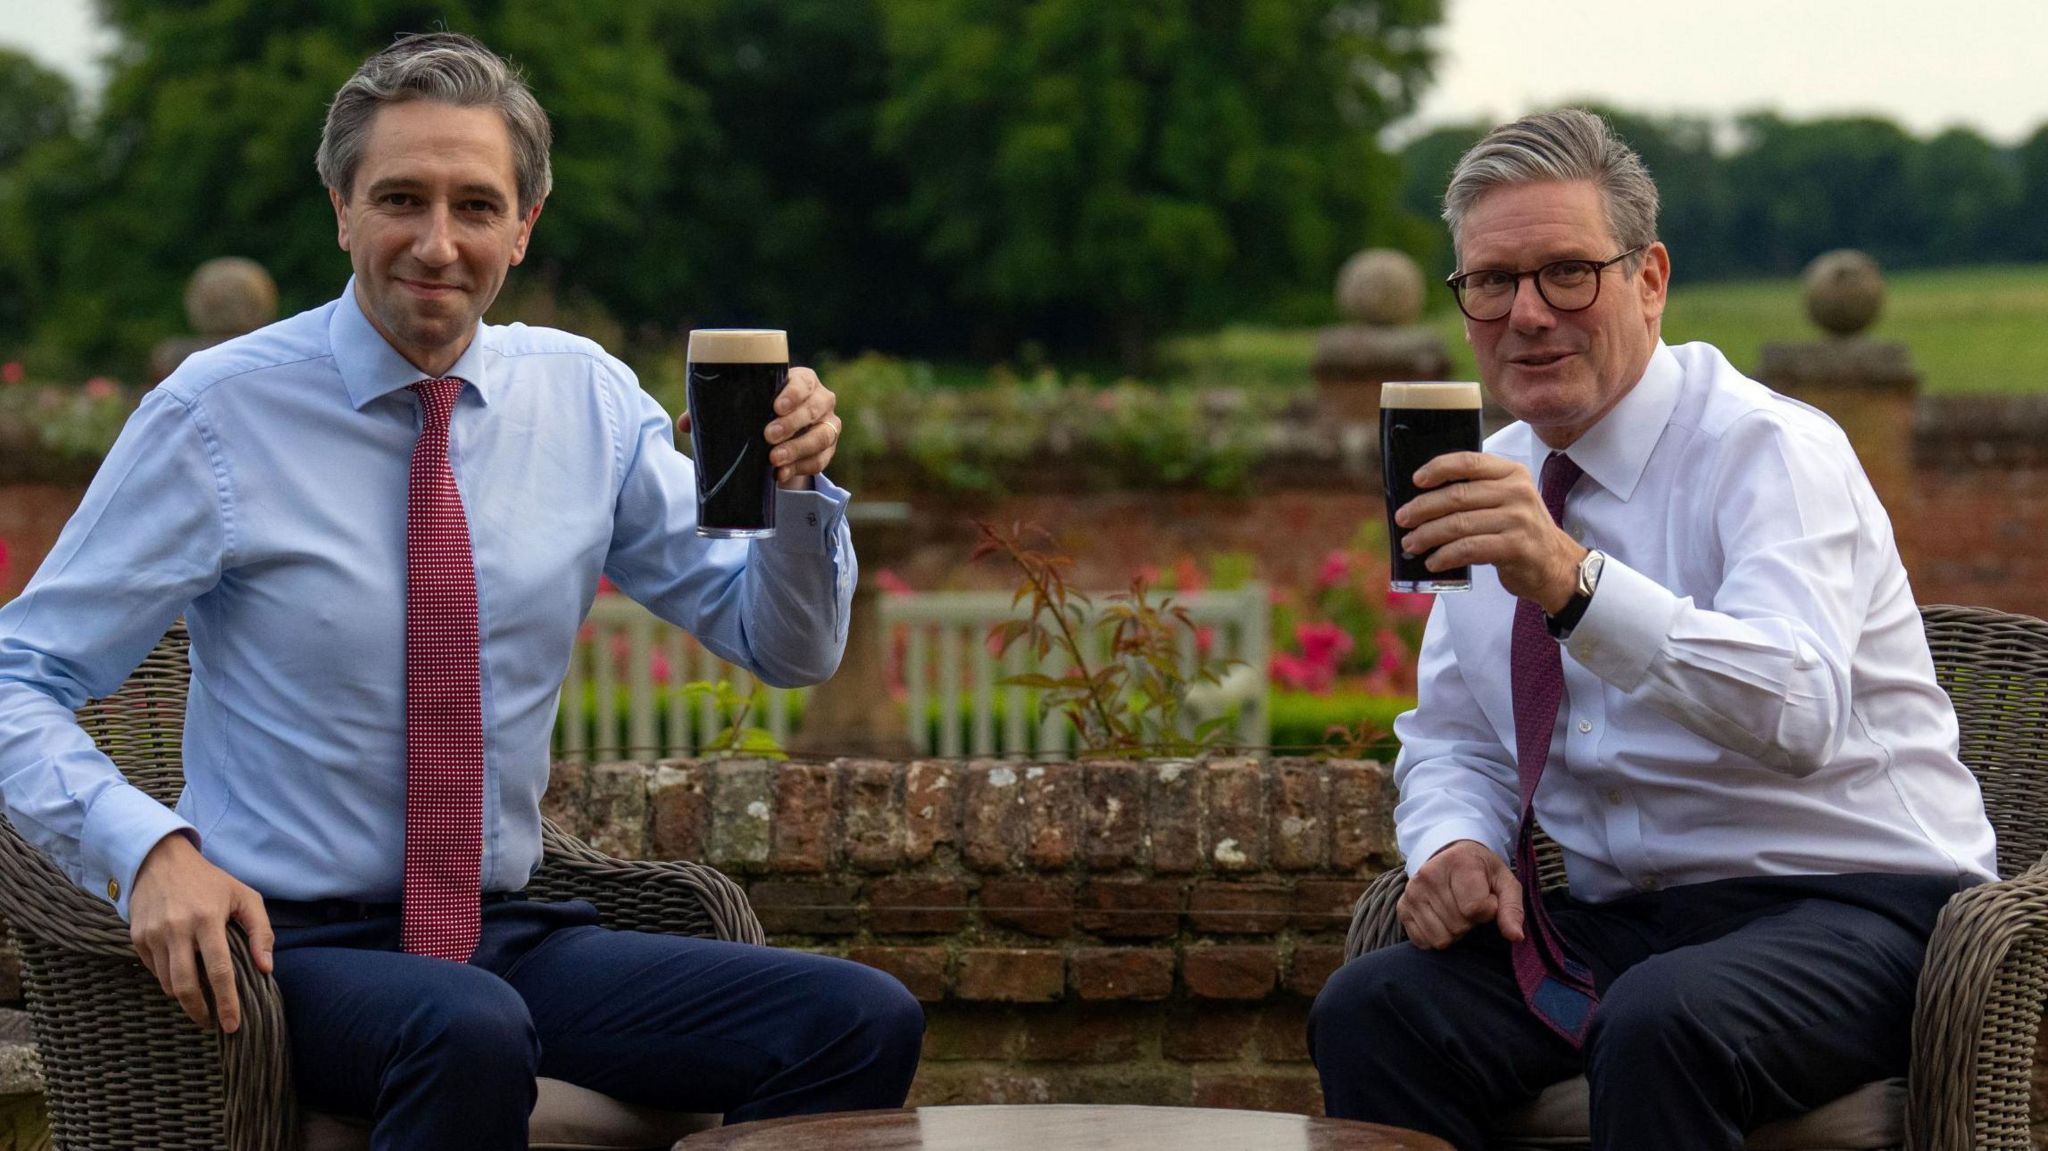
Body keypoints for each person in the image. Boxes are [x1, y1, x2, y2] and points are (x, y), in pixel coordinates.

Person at [0, 31, 923, 1149]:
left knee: (854, 1018)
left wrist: (797, 491)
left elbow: (785, 644)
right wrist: (151, 848)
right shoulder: (217, 415)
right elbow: (21, 675)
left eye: (476, 205)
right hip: (292, 942)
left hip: (505, 930)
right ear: (341, 207)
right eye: (400, 197)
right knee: (468, 1029)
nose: (437, 243)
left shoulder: (583, 398)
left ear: (523, 226)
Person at [1307, 108, 1997, 1150]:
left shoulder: (1769, 452)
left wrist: (1568, 578)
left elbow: (1798, 708)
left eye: (1565, 272)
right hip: (1622, 922)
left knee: (1660, 1021)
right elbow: (1454, 735)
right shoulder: (1489, 474)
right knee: (1371, 1007)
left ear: (1648, 278)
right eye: (1491, 282)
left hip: (1864, 904)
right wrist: (1449, 840)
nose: (1528, 313)